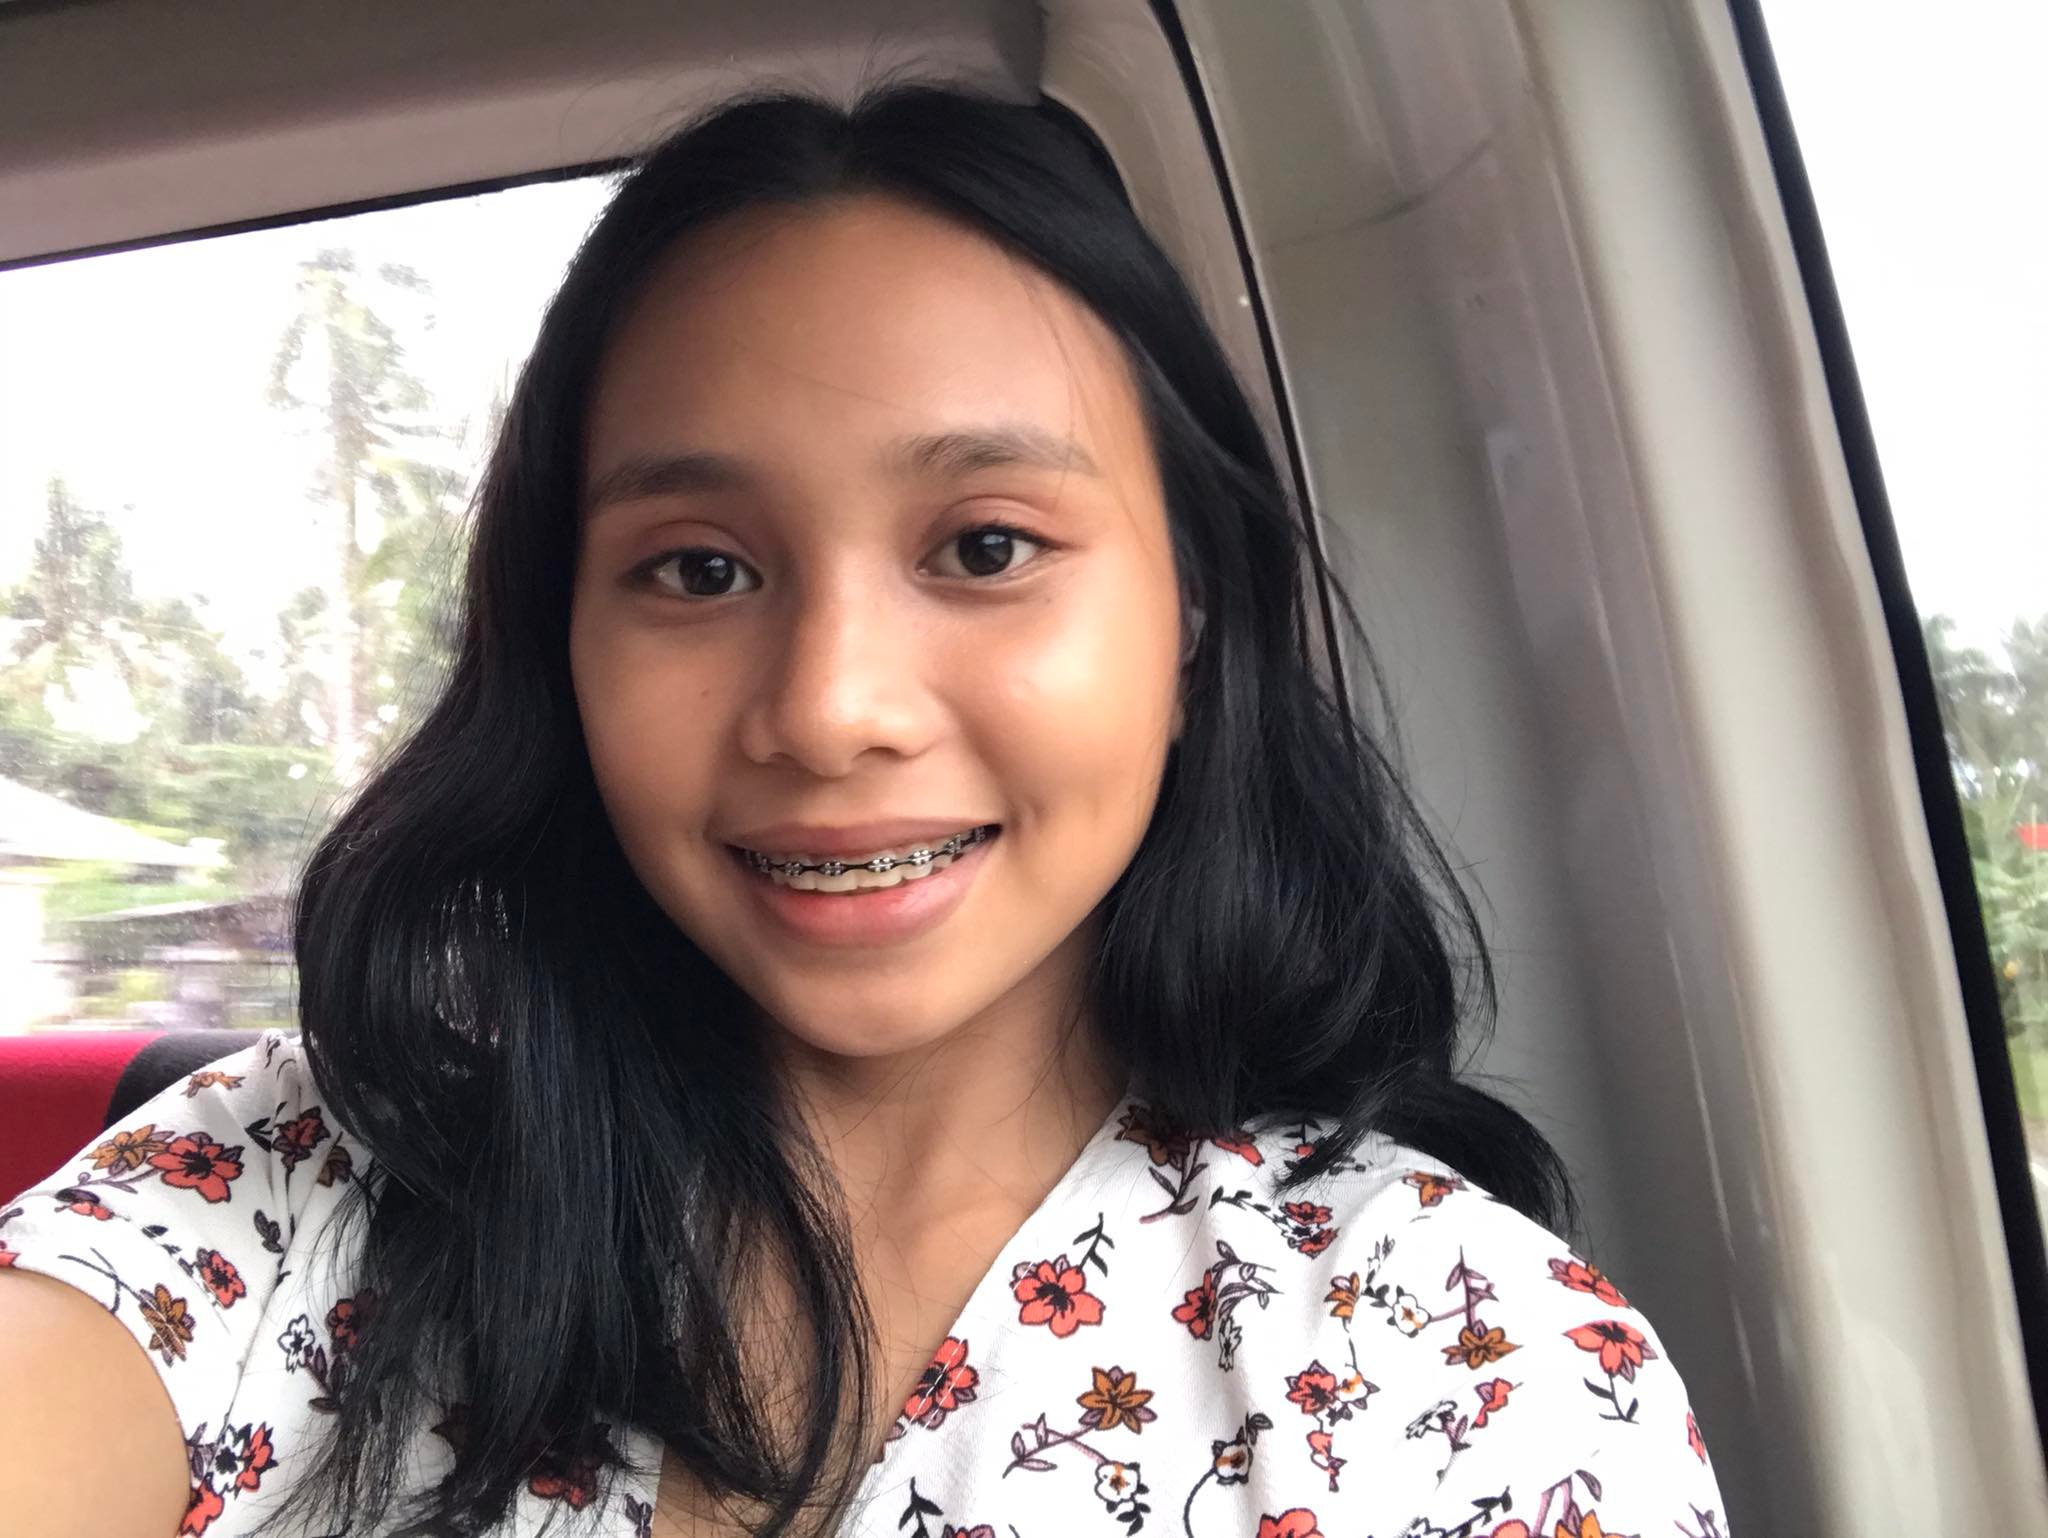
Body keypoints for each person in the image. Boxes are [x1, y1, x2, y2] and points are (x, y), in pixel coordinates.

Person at [0, 84, 1727, 1538]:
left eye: (987, 546)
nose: (830, 709)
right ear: (564, 644)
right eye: (698, 569)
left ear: (1192, 622)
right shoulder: (310, 1173)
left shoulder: (1465, 1369)